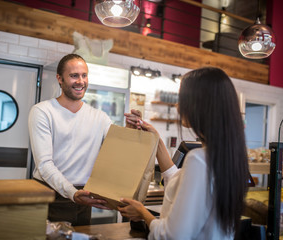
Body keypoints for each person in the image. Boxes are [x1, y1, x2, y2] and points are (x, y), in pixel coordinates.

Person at [120, 67, 249, 239]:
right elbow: (177, 180)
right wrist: (156, 139)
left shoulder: (199, 159)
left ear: (199, 105)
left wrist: (143, 213)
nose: (177, 105)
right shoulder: (229, 157)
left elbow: (174, 235)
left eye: (182, 98)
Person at [28, 54, 112, 226]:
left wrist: (135, 128)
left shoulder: (100, 118)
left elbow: (120, 146)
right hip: (49, 194)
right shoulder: (42, 111)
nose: (80, 81)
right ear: (59, 78)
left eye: (84, 75)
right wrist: (72, 193)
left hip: (84, 197)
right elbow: (44, 164)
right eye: (74, 76)